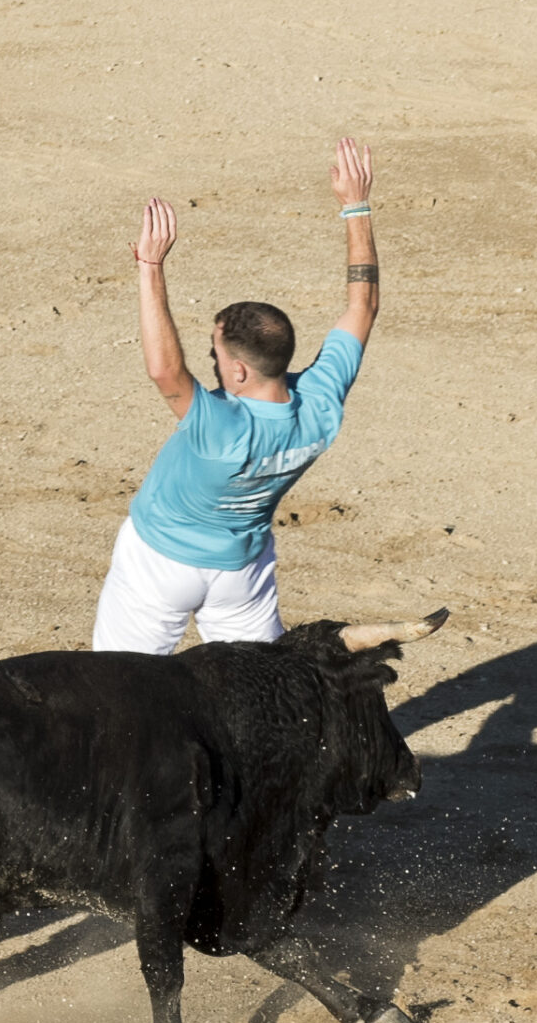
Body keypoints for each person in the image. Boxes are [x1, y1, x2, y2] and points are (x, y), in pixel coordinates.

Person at [90, 137, 380, 654]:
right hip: (242, 577)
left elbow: (164, 370)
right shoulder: (318, 408)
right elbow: (363, 307)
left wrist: (149, 267)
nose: (213, 359)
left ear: (240, 370)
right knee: (263, 696)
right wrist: (355, 206)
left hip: (159, 567)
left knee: (121, 693)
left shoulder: (218, 427)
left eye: (217, 351)